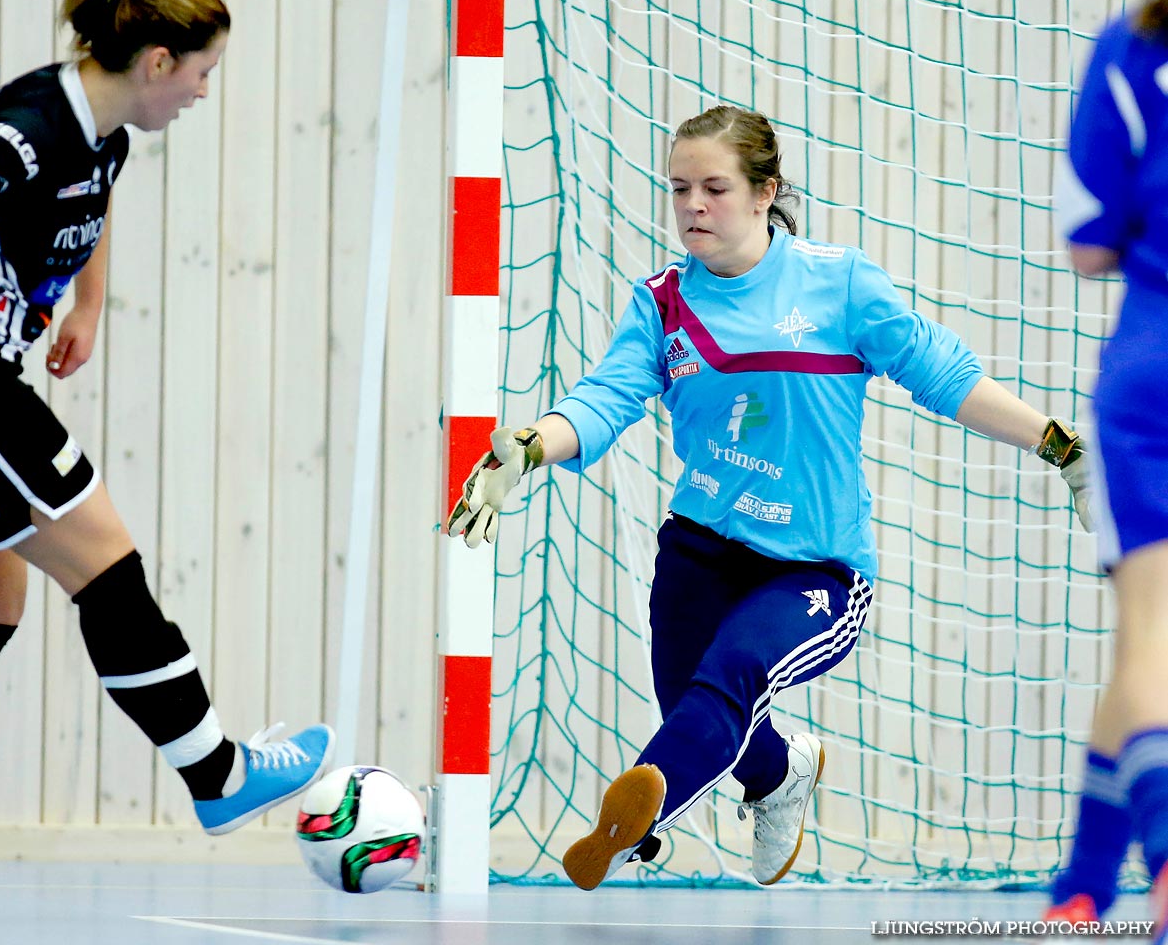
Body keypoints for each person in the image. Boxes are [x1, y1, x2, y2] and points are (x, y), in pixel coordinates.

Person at [446, 104, 1093, 892]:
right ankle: (778, 777)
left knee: (734, 674)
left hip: (813, 568)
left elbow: (944, 375)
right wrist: (530, 448)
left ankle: (629, 824)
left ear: (764, 193)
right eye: (678, 188)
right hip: (699, 549)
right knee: (697, 701)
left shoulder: (839, 284)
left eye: (713, 188)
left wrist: (1061, 449)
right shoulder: (661, 302)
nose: (692, 206)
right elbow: (605, 396)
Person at [0, 0, 332, 919]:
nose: (201, 94)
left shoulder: (100, 131)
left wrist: (85, 305)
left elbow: (88, 208)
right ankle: (216, 772)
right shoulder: (32, 129)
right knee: (106, 562)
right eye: (201, 74)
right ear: (157, 60)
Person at [1042, 0, 1168, 937]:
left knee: (1148, 638)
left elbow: (1089, 244)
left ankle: (1087, 885)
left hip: (1150, 368)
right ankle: (1110, 874)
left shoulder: (1132, 48)